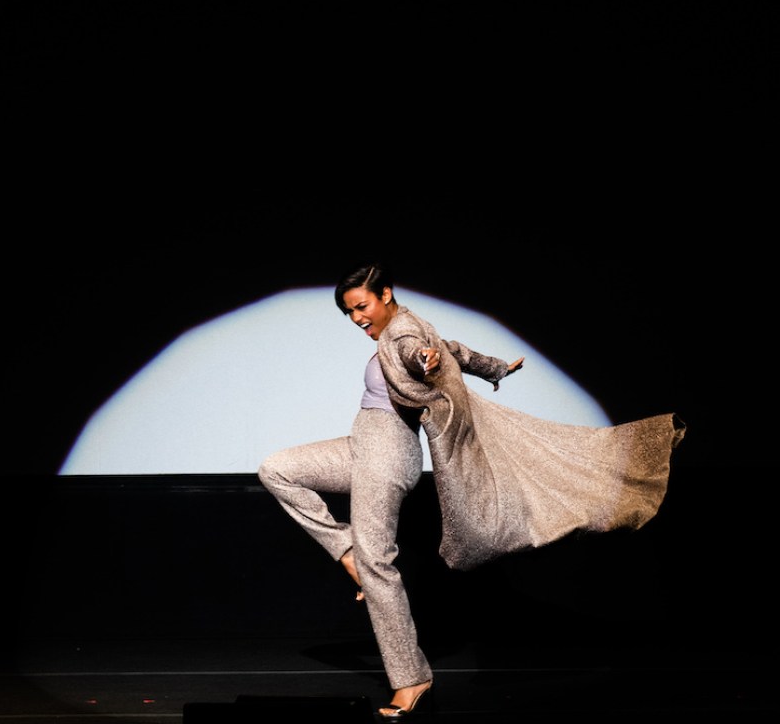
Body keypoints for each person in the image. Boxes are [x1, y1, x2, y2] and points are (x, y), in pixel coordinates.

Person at [257, 261, 683, 719]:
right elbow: (453, 351)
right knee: (277, 469)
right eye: (349, 312)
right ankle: (346, 551)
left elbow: (422, 354)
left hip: (387, 454)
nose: (357, 318)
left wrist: (424, 361)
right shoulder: (408, 326)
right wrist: (495, 367)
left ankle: (410, 679)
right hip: (360, 444)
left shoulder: (403, 335)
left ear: (385, 294)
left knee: (377, 565)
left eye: (361, 306)